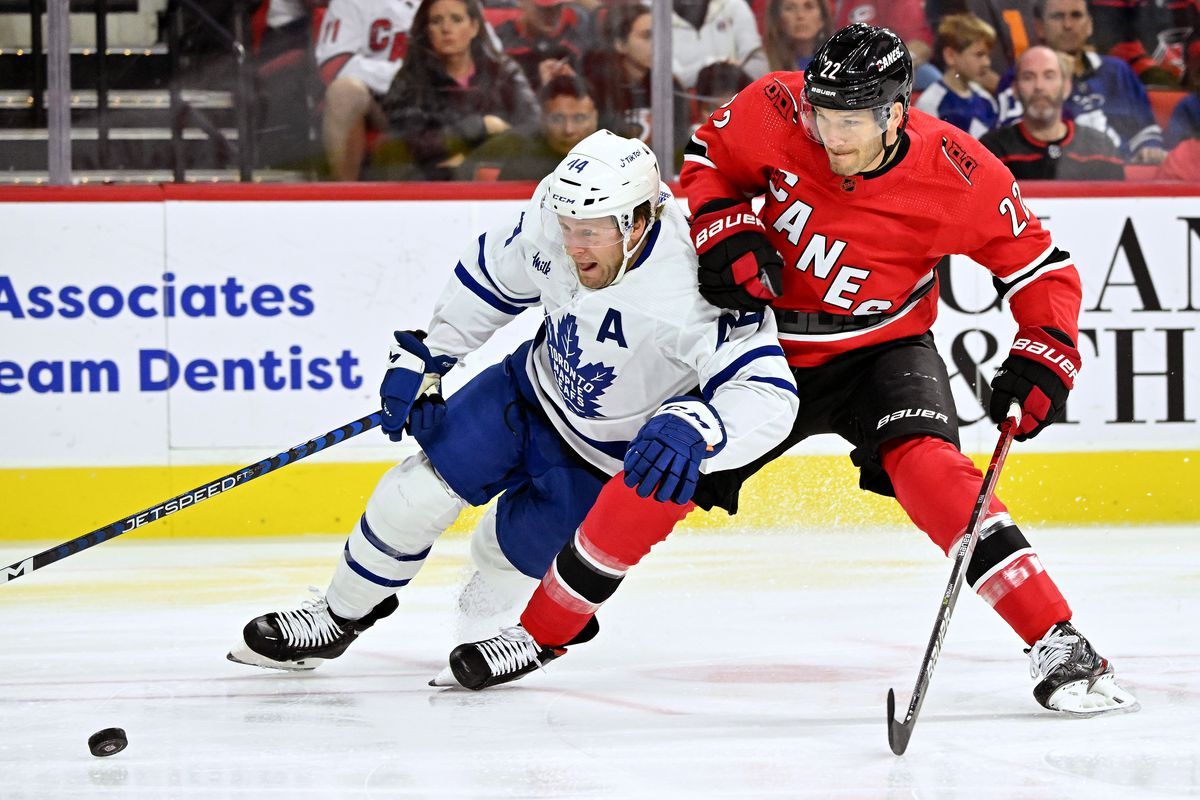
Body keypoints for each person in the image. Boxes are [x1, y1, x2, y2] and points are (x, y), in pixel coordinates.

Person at [449, 24, 1139, 719]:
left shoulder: (961, 173)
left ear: (895, 112)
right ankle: (538, 633)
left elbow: (1041, 268)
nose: (829, 135)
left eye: (848, 121)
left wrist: (1047, 348)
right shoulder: (777, 108)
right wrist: (725, 226)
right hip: (759, 344)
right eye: (821, 114)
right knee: (660, 464)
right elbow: (706, 159)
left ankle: (1057, 637)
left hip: (880, 349)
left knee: (930, 469)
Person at [227, 131, 798, 676]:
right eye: (569, 225)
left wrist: (701, 425)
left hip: (602, 460)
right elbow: (491, 280)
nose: (573, 246)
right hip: (524, 394)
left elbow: (767, 392)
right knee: (410, 496)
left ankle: (512, 629)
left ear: (641, 220)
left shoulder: (696, 283)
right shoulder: (553, 223)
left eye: (592, 231)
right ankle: (336, 617)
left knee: (501, 561)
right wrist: (429, 357)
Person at [374, 0, 539, 180]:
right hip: (431, 186)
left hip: (502, 180)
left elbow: (533, 129)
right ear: (427, 30)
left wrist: (470, 158)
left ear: (474, 27)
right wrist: (478, 127)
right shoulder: (409, 80)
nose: (446, 28)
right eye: (436, 21)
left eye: (456, 19)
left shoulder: (503, 73)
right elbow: (407, 144)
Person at [995, 0, 1166, 164]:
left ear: (1089, 24)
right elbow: (1012, 141)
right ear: (1040, 27)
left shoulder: (1117, 72)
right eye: (1058, 16)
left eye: (1076, 15)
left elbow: (1146, 132)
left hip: (1119, 177)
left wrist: (1148, 150)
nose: (1068, 25)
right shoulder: (1022, 77)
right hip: (1052, 177)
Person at [314, 0, 419, 180]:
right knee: (344, 92)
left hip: (433, 98)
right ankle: (344, 199)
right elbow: (333, 66)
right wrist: (399, 77)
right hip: (378, 104)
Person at [981, 46, 1124, 179]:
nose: (1039, 86)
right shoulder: (991, 151)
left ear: (1067, 87)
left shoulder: (1101, 147)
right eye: (1028, 77)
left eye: (1049, 76)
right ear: (1015, 89)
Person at [582, 3, 689, 158]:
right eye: (647, 36)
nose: (658, 44)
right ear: (620, 44)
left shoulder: (671, 86)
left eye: (660, 35)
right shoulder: (596, 88)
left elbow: (678, 148)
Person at [462, 73, 599, 180]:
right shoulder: (515, 155)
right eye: (557, 119)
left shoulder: (617, 154)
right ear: (542, 119)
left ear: (595, 118)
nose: (569, 129)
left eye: (579, 118)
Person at [915, 13, 1000, 137]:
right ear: (950, 55)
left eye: (988, 55)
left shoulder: (986, 100)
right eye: (979, 54)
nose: (987, 62)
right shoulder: (931, 104)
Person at [492, 0, 594, 89]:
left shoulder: (574, 42)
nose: (552, 14)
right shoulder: (501, 42)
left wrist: (572, 84)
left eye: (558, 7)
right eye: (543, 9)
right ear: (521, 2)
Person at [671, 0, 769, 90]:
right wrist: (718, 64)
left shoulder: (734, 5)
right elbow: (672, 76)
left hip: (735, 97)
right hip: (681, 105)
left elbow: (757, 62)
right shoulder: (657, 19)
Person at [762, 0, 831, 73]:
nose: (800, 15)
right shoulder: (763, 62)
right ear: (778, 19)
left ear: (822, 18)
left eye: (809, 7)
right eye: (790, 8)